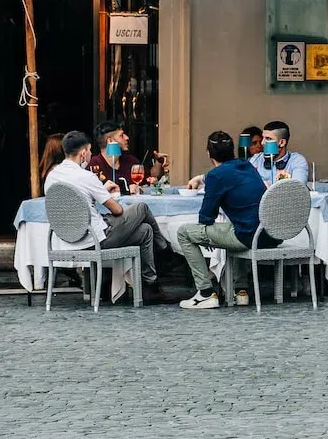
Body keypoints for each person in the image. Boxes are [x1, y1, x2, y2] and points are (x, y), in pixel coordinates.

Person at [46, 129, 160, 294]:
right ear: (84, 153)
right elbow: (118, 209)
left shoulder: (52, 176)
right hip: (94, 240)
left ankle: (150, 285)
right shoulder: (86, 176)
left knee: (145, 231)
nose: (91, 154)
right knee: (141, 208)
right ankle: (163, 248)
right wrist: (102, 191)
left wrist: (99, 190)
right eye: (90, 151)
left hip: (64, 241)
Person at [176, 130, 267, 309]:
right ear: (233, 150)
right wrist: (202, 178)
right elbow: (227, 174)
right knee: (236, 225)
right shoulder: (246, 165)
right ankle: (241, 291)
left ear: (209, 153)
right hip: (270, 234)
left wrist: (207, 234)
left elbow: (206, 216)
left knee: (184, 233)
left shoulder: (216, 176)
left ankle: (205, 293)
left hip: (247, 237)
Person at [254, 119, 311, 185]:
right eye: (263, 138)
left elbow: (298, 189)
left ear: (282, 142)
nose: (262, 143)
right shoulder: (256, 159)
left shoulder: (297, 161)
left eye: (268, 139)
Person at [88, 118, 135, 188]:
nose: (127, 137)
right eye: (121, 135)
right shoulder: (95, 165)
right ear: (110, 141)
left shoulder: (129, 160)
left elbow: (149, 180)